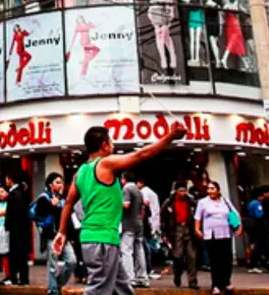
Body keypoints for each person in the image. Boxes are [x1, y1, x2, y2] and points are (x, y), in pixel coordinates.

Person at [53, 123, 187, 295]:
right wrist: (170, 136)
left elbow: (68, 203)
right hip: (103, 241)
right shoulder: (105, 164)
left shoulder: (81, 172)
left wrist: (62, 232)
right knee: (97, 290)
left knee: (123, 289)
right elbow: (142, 154)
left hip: (93, 239)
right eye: (111, 141)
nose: (113, 145)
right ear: (104, 145)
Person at [194, 180, 242, 295]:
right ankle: (216, 284)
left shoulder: (225, 201)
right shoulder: (203, 202)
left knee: (227, 260)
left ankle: (226, 282)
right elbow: (198, 217)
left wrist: (239, 227)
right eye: (208, 189)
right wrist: (197, 229)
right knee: (215, 260)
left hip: (225, 234)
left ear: (218, 190)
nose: (210, 191)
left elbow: (235, 214)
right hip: (211, 235)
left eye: (213, 188)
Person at [35, 173, 76, 295]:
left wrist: (71, 236)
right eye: (57, 182)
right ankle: (53, 291)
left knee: (72, 261)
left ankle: (57, 285)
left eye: (61, 182)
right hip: (51, 237)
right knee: (53, 266)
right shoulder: (43, 198)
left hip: (63, 237)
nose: (60, 185)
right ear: (50, 185)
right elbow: (39, 214)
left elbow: (68, 218)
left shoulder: (64, 200)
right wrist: (51, 205)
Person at [161, 181, 198, 289]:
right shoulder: (169, 202)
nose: (183, 193)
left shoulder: (191, 201)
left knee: (192, 256)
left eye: (184, 190)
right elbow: (163, 217)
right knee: (178, 256)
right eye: (180, 191)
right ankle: (177, 274)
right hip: (176, 229)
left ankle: (192, 281)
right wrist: (164, 232)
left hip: (189, 228)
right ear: (176, 191)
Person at [121, 172, 149, 288]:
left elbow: (126, 205)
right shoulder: (139, 190)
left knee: (126, 251)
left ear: (124, 179)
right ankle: (142, 278)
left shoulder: (127, 188)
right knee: (139, 250)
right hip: (139, 223)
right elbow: (142, 209)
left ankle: (130, 278)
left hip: (129, 224)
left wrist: (115, 202)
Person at [3, 173, 32, 286]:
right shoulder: (21, 192)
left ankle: (14, 278)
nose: (6, 181)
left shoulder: (14, 194)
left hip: (16, 229)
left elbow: (14, 213)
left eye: (7, 178)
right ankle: (23, 278)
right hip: (22, 229)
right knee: (21, 254)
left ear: (10, 179)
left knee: (15, 253)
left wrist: (8, 225)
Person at [247, 187, 269, 273]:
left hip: (254, 227)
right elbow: (259, 215)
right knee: (263, 246)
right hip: (260, 227)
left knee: (260, 246)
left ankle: (255, 264)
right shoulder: (257, 204)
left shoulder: (251, 204)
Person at [136, 177, 162, 280]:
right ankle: (146, 270)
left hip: (145, 224)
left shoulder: (143, 192)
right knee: (145, 247)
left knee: (145, 248)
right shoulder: (151, 193)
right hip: (150, 222)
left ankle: (147, 270)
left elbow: (146, 204)